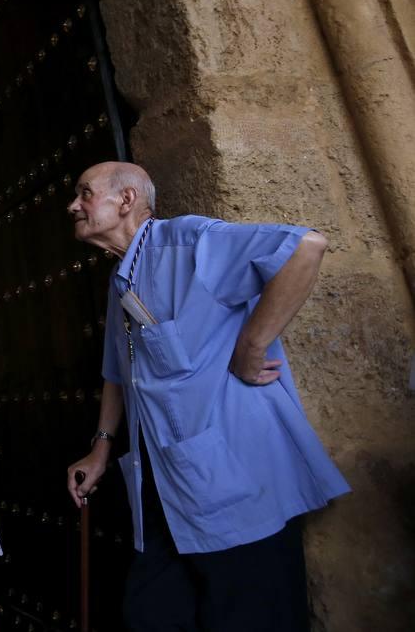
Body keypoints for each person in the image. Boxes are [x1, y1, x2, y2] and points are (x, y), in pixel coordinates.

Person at [64, 161, 350, 631]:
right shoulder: (121, 281)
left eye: (85, 193)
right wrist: (100, 449)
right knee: (150, 614)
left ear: (127, 200)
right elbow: (119, 371)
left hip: (233, 484)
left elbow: (305, 246)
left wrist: (251, 346)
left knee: (251, 617)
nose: (73, 205)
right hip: (165, 489)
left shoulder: (189, 242)